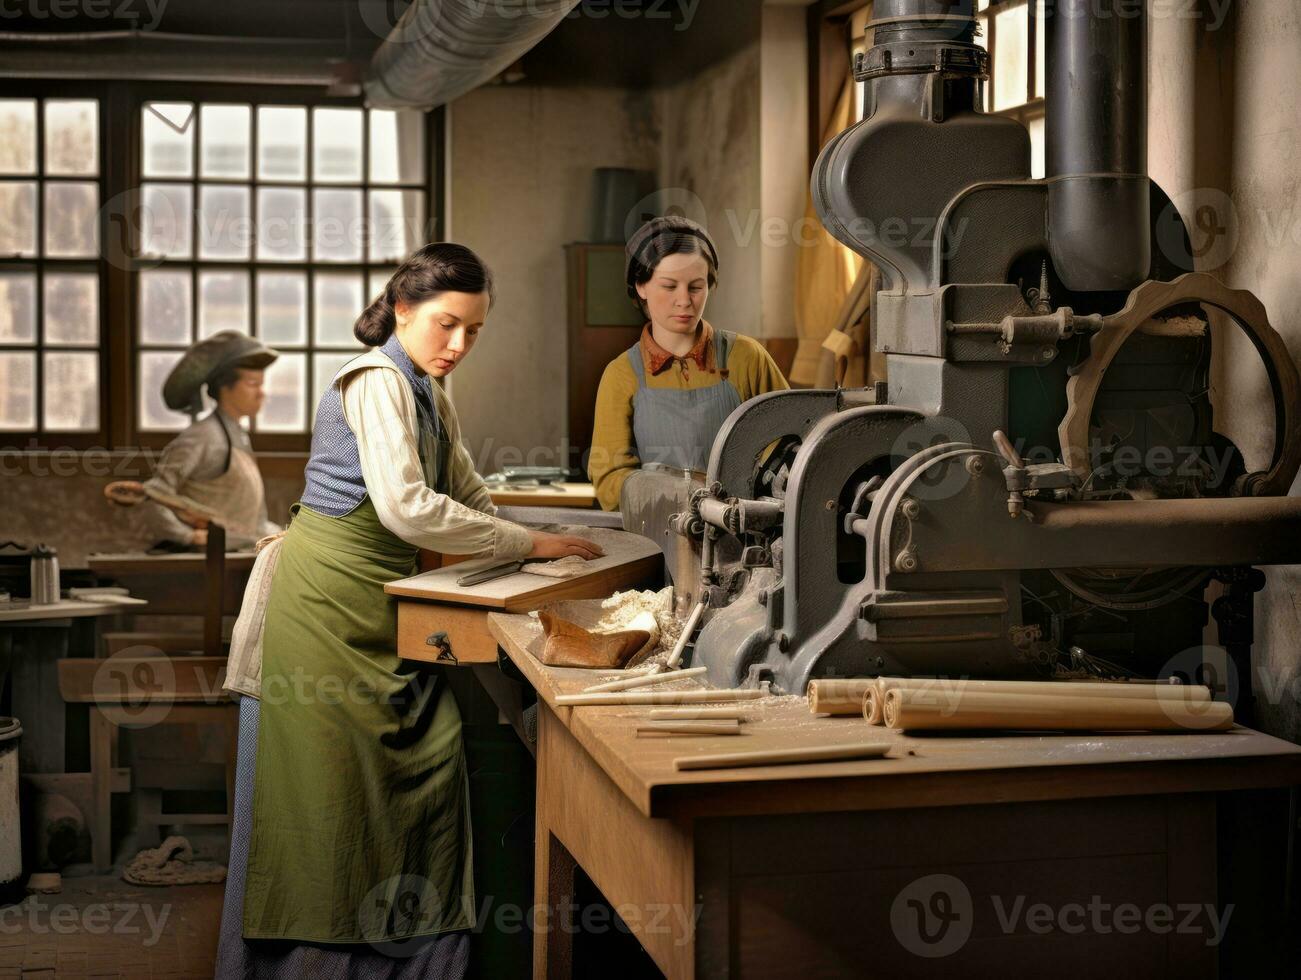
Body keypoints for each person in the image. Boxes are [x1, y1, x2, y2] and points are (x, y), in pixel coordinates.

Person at [215, 243, 601, 978]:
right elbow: (409, 510)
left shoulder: (430, 390)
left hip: (384, 605)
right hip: (326, 609)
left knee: (423, 762)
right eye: (446, 324)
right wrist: (528, 539)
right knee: (332, 790)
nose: (458, 345)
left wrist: (539, 554)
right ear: (401, 310)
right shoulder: (373, 381)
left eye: (474, 331)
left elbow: (467, 490)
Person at [588, 215, 790, 510]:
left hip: (744, 533)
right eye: (669, 286)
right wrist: (681, 498)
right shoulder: (621, 375)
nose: (684, 301)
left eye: (695, 287)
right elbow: (609, 480)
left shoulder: (747, 357)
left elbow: (788, 444)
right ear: (641, 287)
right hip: (659, 534)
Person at [104, 331, 281, 551]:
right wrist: (189, 536)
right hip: (209, 563)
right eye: (253, 384)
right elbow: (153, 499)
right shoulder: (203, 437)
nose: (261, 394)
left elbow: (252, 522)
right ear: (226, 387)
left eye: (262, 384)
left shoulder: (238, 436)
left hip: (239, 554)